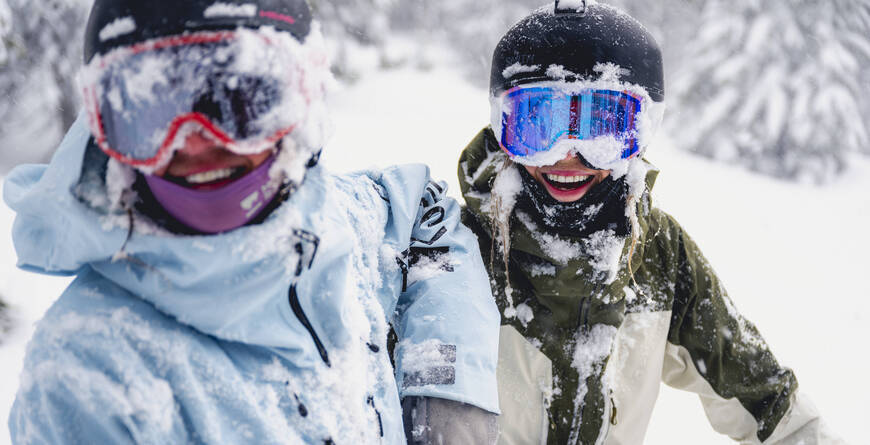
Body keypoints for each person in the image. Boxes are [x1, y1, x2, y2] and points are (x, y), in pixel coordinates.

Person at [5, 1, 500, 443]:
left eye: (242, 99)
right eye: (152, 106)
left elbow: (425, 212)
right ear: (104, 125)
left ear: (302, 102)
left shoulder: (337, 219)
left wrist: (446, 390)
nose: (198, 140)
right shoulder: (89, 379)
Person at [457, 1, 844, 444]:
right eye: (538, 123)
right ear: (504, 128)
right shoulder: (458, 250)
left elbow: (769, 404)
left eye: (603, 127)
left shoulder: (657, 254)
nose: (568, 154)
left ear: (640, 134)